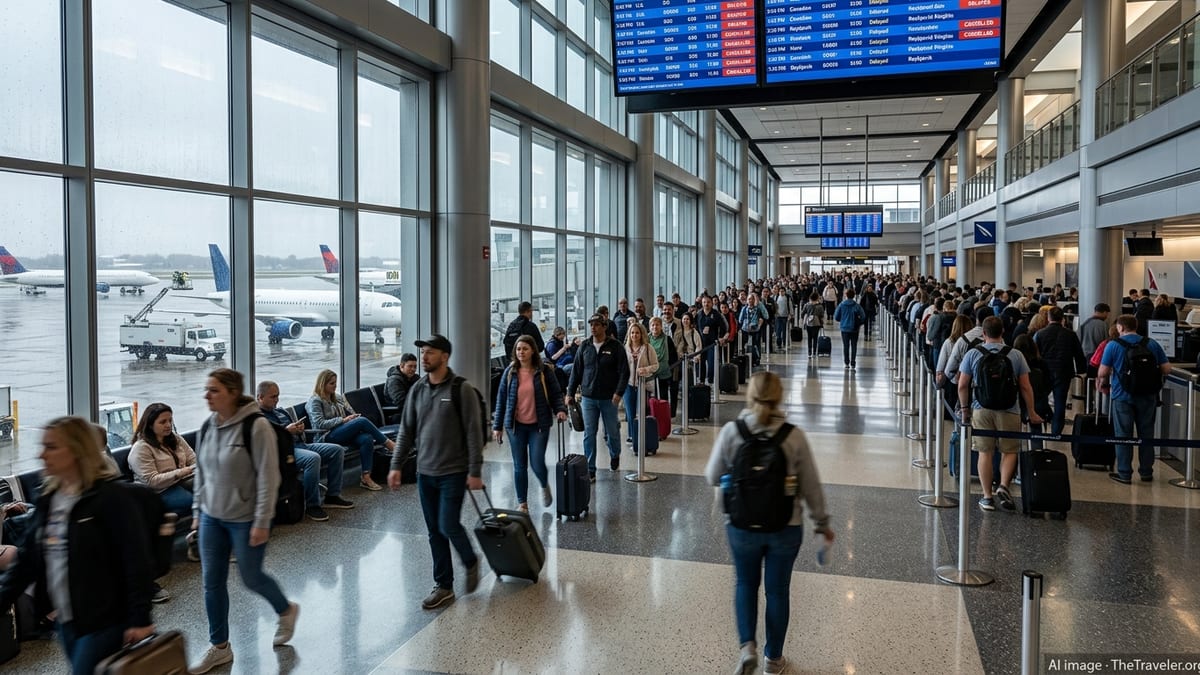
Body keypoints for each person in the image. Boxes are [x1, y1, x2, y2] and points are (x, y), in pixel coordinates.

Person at [0, 416, 157, 675]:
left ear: (76, 451)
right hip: (68, 620)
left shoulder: (110, 498)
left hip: (106, 620)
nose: (42, 455)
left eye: (51, 447)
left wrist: (140, 617)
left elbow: (136, 560)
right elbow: (28, 561)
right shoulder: (50, 499)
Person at [704, 372, 833, 675]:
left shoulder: (732, 432)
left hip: (741, 525)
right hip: (785, 526)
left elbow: (711, 475)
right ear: (779, 397)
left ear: (750, 395)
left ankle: (747, 646)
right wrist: (822, 523)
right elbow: (812, 487)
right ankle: (773, 659)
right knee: (777, 591)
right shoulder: (793, 436)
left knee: (745, 583)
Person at [190, 368, 299, 674]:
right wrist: (198, 512)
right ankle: (220, 646)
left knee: (251, 577)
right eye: (207, 389)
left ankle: (286, 609)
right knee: (211, 582)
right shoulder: (207, 426)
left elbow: (268, 476)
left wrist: (262, 520)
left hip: (245, 517)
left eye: (214, 390)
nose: (207, 395)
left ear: (232, 393)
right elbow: (201, 472)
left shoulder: (257, 426)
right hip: (212, 517)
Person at [387, 334, 483, 610]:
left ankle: (470, 560)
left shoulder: (460, 390)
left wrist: (474, 470)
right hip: (424, 473)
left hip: (453, 471)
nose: (424, 357)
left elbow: (474, 433)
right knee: (434, 531)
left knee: (447, 523)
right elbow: (406, 430)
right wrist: (396, 465)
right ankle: (443, 585)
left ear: (445, 356)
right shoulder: (418, 389)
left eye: (430, 352)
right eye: (423, 352)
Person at [957, 317, 1044, 512]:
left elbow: (962, 385)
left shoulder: (973, 354)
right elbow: (1025, 386)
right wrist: (1031, 411)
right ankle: (1004, 485)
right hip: (1010, 409)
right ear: (1002, 332)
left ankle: (987, 497)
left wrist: (965, 409)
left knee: (985, 453)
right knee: (1009, 450)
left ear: (984, 334)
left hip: (982, 408)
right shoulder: (1015, 354)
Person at [257, 381, 354, 522]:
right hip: (285, 452)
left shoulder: (280, 411)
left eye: (278, 396)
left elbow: (296, 433)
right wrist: (286, 431)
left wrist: (299, 430)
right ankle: (312, 505)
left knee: (336, 450)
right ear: (260, 397)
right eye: (273, 397)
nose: (277, 400)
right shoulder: (259, 419)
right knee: (312, 458)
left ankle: (332, 495)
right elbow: (264, 441)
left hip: (301, 445)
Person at [492, 335, 567, 513]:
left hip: (538, 425)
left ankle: (543, 484)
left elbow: (556, 393)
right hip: (515, 426)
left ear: (533, 350)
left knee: (536, 462)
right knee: (519, 466)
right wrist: (497, 426)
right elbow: (501, 400)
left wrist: (560, 409)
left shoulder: (543, 371)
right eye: (518, 349)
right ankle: (522, 503)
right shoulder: (510, 372)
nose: (521, 352)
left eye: (525, 349)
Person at [1098, 315, 1172, 484]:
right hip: (1148, 396)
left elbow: (1102, 372)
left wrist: (1105, 378)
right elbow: (1167, 369)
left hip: (1122, 396)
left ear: (1120, 328)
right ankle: (1146, 471)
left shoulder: (1113, 345)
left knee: (1123, 434)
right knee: (1146, 433)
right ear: (1136, 326)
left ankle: (1124, 473)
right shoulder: (1151, 343)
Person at [307, 369, 398, 491]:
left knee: (366, 438)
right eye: (331, 383)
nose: (335, 386)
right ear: (322, 384)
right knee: (362, 422)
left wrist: (350, 419)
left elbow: (347, 413)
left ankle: (366, 476)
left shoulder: (336, 398)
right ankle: (389, 444)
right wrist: (343, 420)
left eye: (335, 383)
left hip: (339, 432)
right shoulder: (315, 401)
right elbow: (319, 423)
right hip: (326, 436)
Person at [565, 314, 629, 480]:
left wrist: (618, 392)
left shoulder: (615, 346)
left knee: (613, 432)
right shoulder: (585, 346)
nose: (593, 327)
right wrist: (570, 393)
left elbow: (624, 372)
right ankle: (590, 468)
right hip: (588, 398)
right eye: (591, 324)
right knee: (589, 433)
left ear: (604, 326)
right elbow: (576, 371)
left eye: (596, 325)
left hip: (609, 398)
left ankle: (615, 454)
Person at [129, 402, 196, 521]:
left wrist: (188, 471)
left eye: (170, 420)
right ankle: (162, 517)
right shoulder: (141, 448)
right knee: (194, 501)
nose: (168, 425)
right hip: (158, 492)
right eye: (163, 422)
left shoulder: (175, 438)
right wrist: (180, 472)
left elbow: (193, 459)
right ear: (150, 425)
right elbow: (152, 481)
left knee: (209, 492)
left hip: (181, 482)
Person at [1033, 307, 1087, 436]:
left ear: (1048, 318)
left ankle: (1041, 425)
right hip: (1064, 372)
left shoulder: (1040, 334)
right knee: (1060, 402)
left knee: (1041, 399)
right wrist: (1081, 371)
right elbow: (1079, 354)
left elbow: (1034, 355)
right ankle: (1056, 432)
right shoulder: (1070, 334)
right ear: (1063, 318)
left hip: (1044, 372)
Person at [621, 322, 660, 453]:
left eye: (637, 332)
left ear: (641, 334)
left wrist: (645, 369)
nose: (634, 335)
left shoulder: (648, 348)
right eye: (632, 333)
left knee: (642, 412)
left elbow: (655, 365)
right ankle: (632, 437)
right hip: (628, 385)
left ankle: (642, 436)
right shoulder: (624, 349)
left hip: (643, 385)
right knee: (630, 413)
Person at [1013, 335, 1053, 449]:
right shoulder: (1042, 363)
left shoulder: (1014, 363)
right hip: (1039, 404)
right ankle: (1036, 457)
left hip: (1018, 404)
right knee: (1037, 432)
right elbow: (1049, 383)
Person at [648, 316, 679, 416]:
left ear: (661, 326)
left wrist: (672, 368)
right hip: (650, 371)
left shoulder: (667, 339)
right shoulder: (647, 339)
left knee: (663, 393)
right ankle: (653, 412)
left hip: (665, 370)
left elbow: (673, 355)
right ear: (649, 327)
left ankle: (665, 413)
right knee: (651, 394)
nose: (655, 327)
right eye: (653, 325)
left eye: (657, 325)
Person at [833, 288, 867, 370]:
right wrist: (859, 323)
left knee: (846, 345)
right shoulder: (857, 306)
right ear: (854, 296)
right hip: (854, 328)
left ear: (846, 295)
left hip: (844, 328)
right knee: (854, 345)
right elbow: (863, 317)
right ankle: (853, 363)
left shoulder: (841, 305)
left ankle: (846, 362)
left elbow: (836, 317)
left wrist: (842, 320)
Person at [695, 295, 727, 385]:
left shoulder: (716, 314)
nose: (706, 304)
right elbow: (695, 327)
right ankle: (701, 380)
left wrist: (721, 337)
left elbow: (723, 327)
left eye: (708, 302)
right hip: (701, 343)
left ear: (712, 303)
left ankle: (710, 380)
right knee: (701, 363)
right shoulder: (699, 314)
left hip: (712, 343)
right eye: (704, 302)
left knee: (711, 362)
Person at [384, 352, 420, 421]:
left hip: (410, 410)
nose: (413, 369)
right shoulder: (394, 380)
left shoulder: (415, 378)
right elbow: (401, 401)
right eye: (410, 366)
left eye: (415, 366)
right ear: (401, 366)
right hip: (397, 413)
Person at [738, 293, 769, 367]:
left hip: (755, 330)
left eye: (752, 299)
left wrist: (758, 324)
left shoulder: (758, 308)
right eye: (749, 299)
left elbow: (766, 316)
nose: (750, 301)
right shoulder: (744, 309)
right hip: (745, 330)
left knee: (755, 345)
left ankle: (756, 359)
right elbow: (740, 320)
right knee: (745, 345)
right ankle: (746, 360)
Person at [800, 293, 824, 357]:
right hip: (817, 323)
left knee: (809, 338)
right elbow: (822, 315)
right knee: (815, 338)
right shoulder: (820, 306)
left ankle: (809, 352)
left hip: (809, 322)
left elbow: (802, 313)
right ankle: (814, 352)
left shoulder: (807, 305)